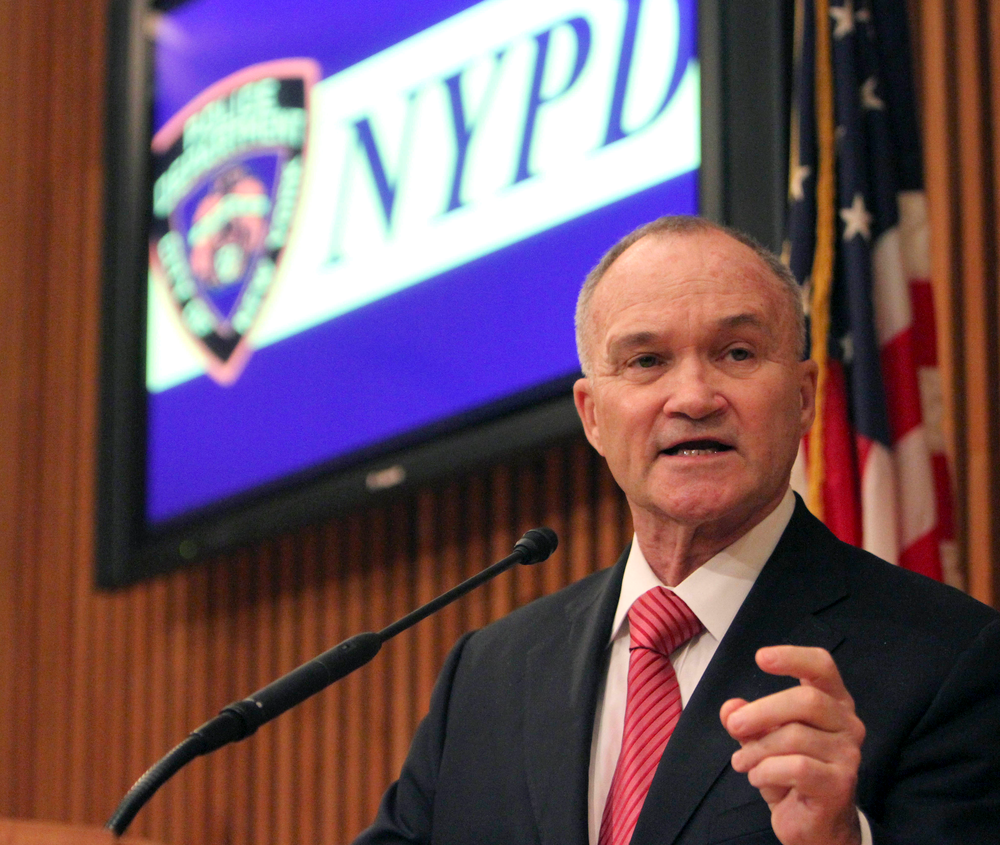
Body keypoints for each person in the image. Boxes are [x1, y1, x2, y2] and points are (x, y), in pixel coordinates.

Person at [352, 216, 1000, 845]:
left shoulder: (948, 658)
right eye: (646, 360)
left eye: (737, 352)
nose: (693, 396)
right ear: (593, 416)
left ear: (803, 396)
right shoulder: (486, 677)